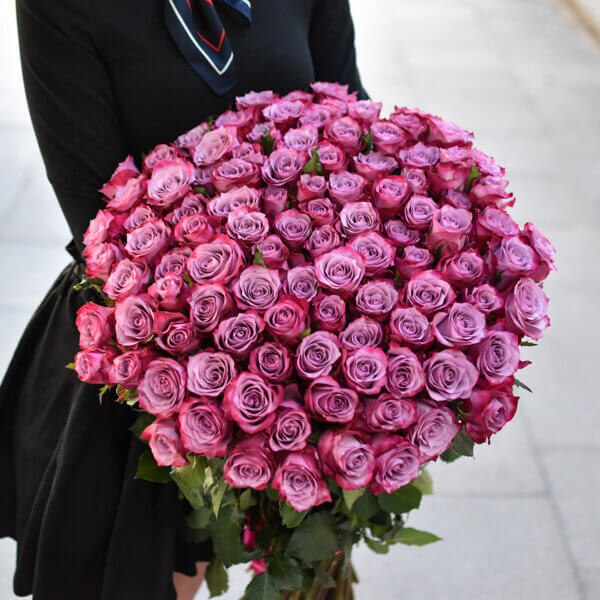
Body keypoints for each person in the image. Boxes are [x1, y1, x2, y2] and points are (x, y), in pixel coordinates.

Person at [0, 1, 365, 598]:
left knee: (308, 570)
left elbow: (352, 121)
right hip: (148, 358)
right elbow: (94, 219)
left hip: (305, 349)